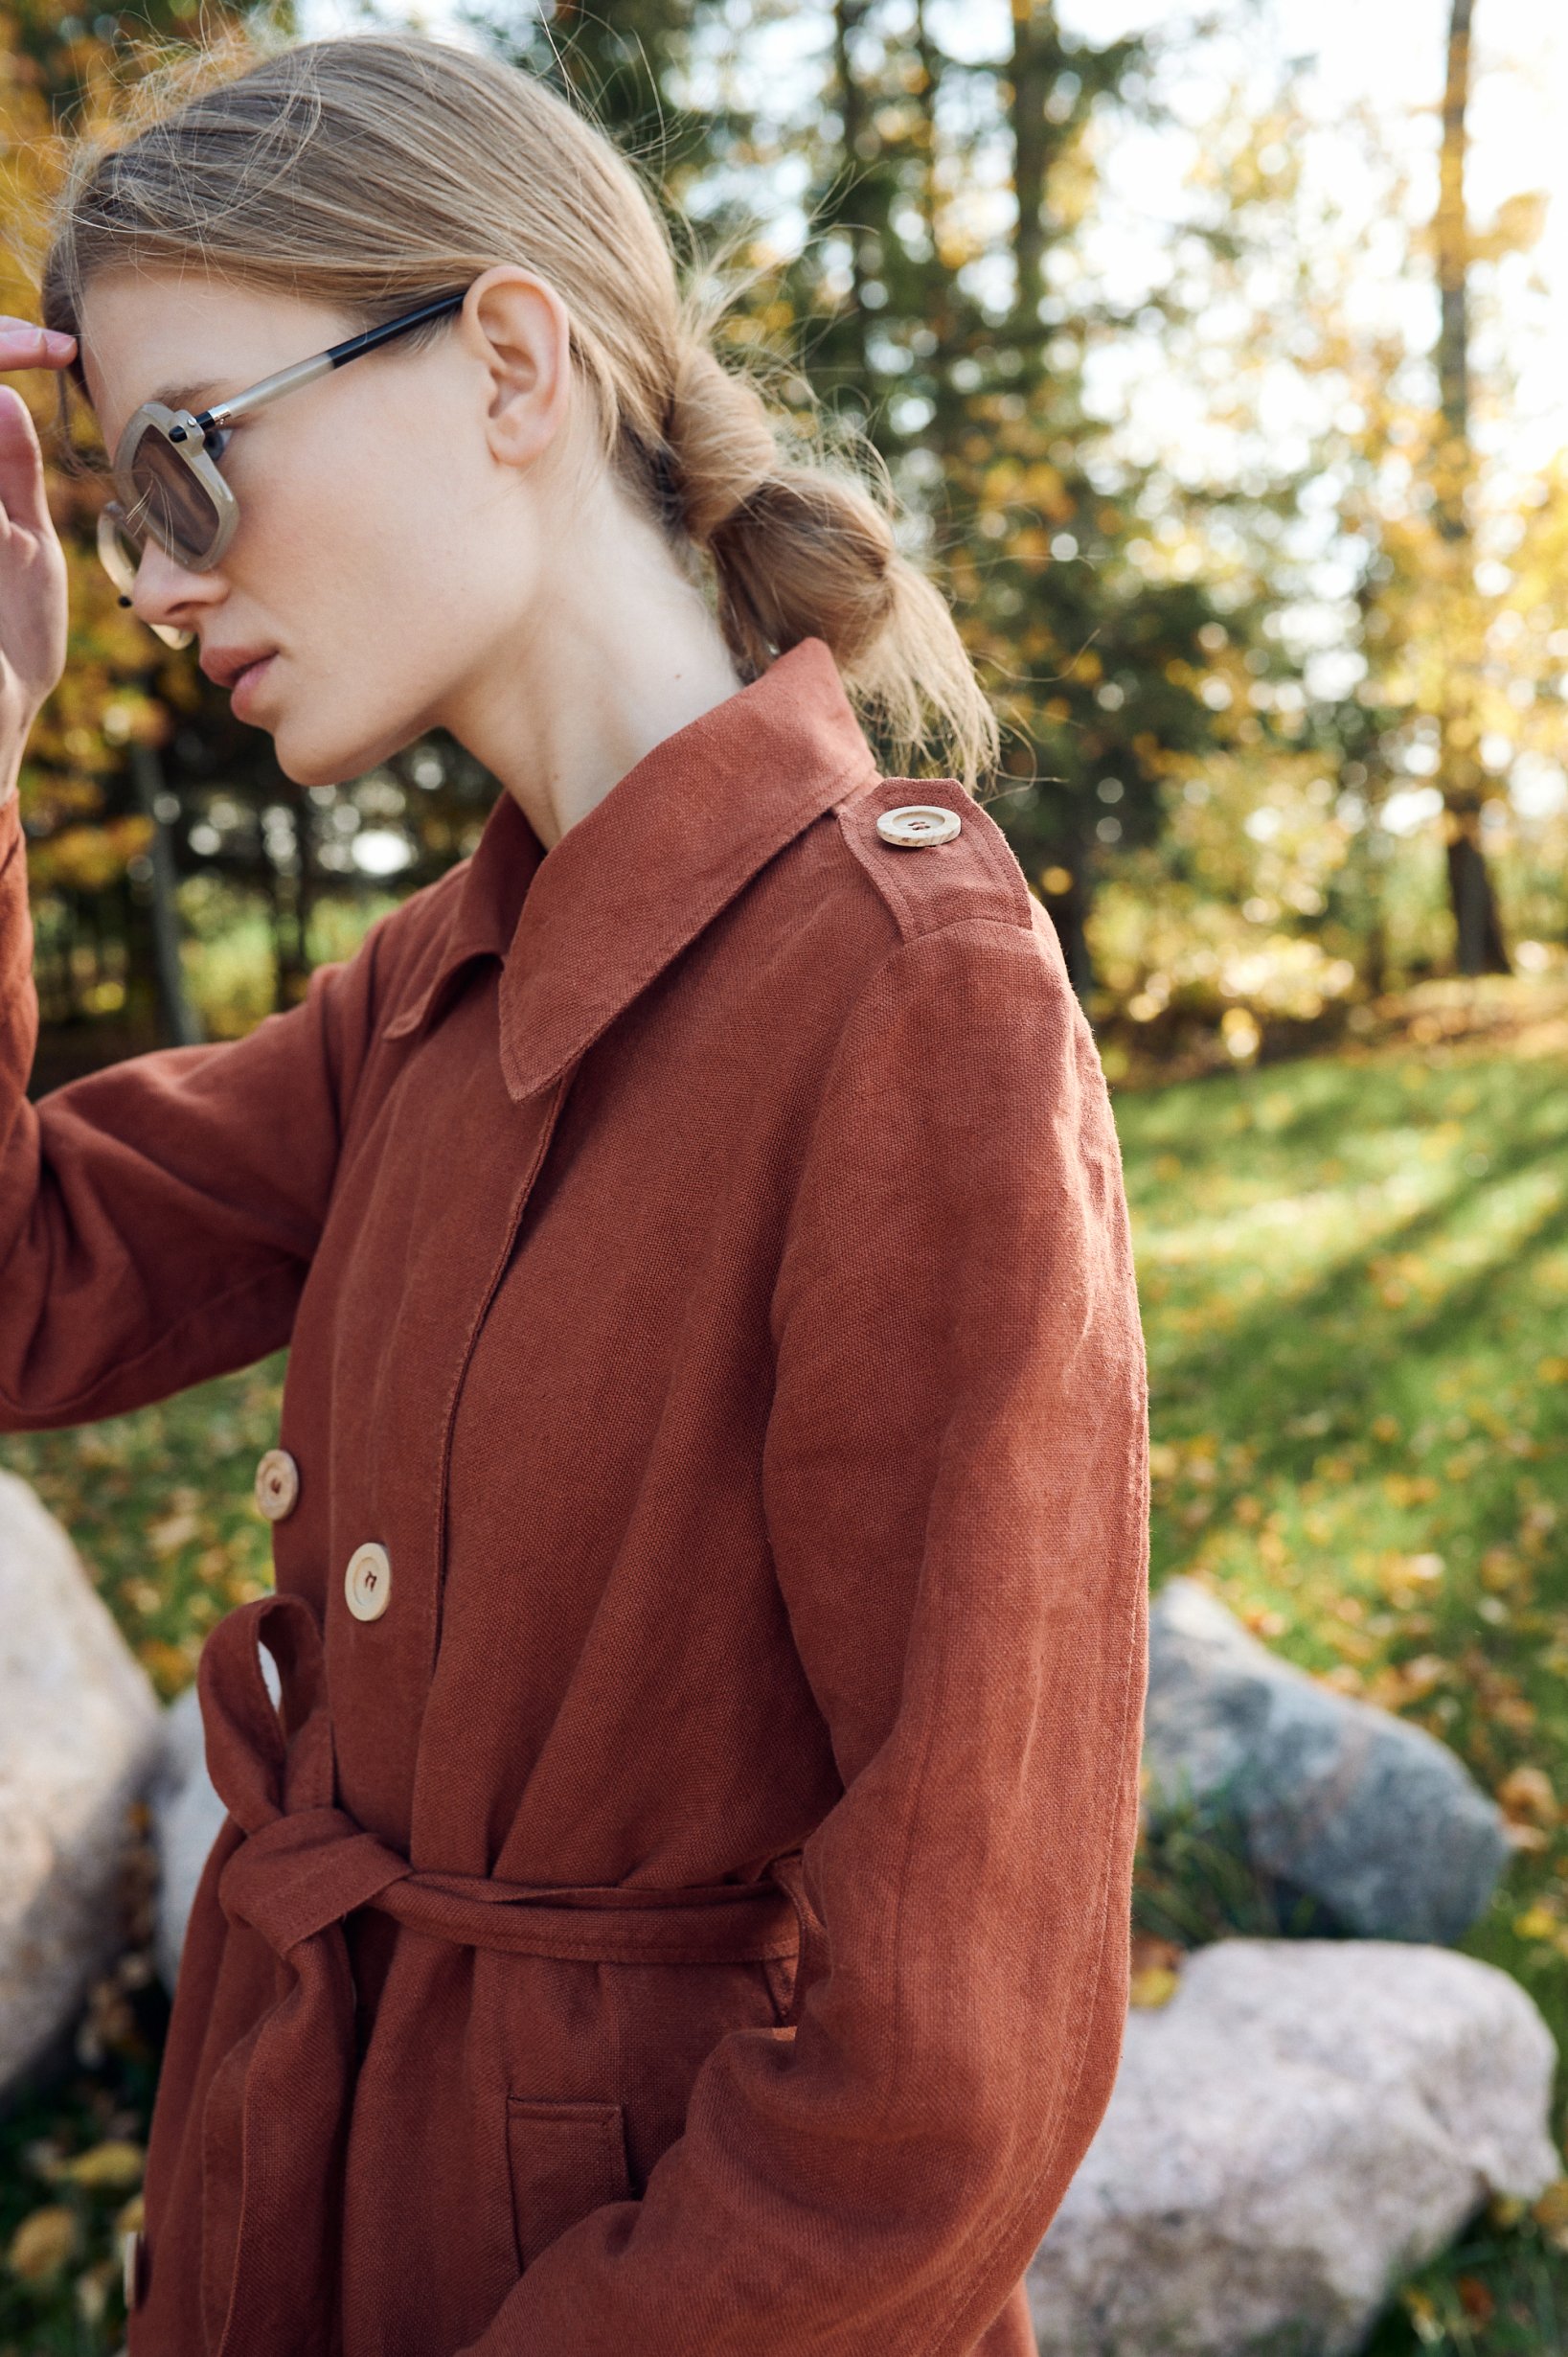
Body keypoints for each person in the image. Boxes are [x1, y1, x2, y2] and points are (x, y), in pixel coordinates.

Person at [0, 25, 1149, 2357]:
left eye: (187, 470)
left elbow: (945, 2085)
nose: (144, 576)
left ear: (509, 358)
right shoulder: (434, 976)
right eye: (123, 506)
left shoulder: (912, 993)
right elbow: (27, 1286)